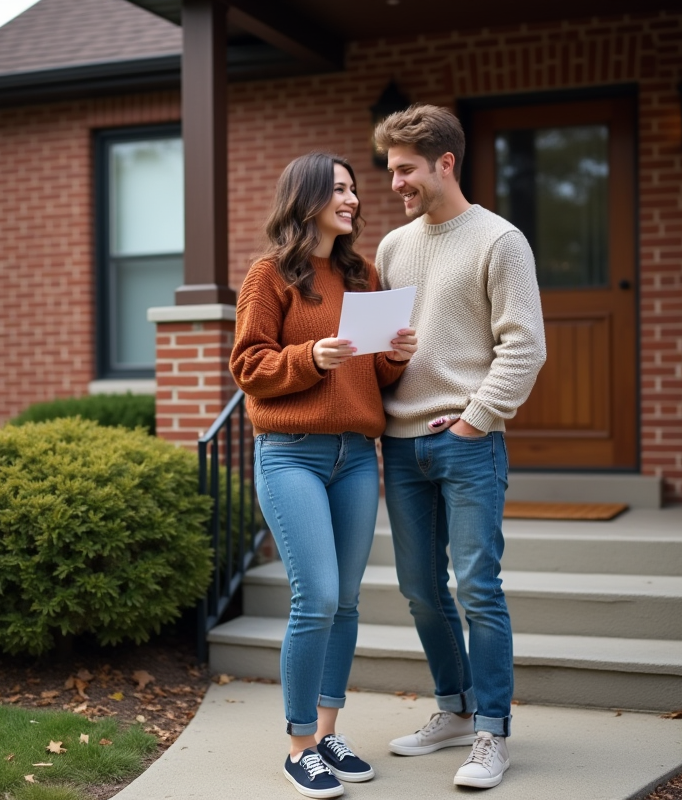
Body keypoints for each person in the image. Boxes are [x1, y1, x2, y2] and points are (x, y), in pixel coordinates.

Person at [230, 151, 418, 799]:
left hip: (357, 456)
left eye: (353, 189)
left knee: (346, 602)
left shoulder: (363, 275)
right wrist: (310, 356)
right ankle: (299, 745)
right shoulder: (269, 275)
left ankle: (329, 734)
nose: (353, 199)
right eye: (339, 188)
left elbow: (373, 372)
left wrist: (395, 355)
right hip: (291, 454)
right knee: (315, 598)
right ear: (305, 197)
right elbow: (248, 366)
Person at [372, 104, 547, 790]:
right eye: (391, 171)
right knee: (420, 589)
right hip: (401, 446)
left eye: (405, 170)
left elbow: (524, 347)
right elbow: (382, 348)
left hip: (468, 443)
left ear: (445, 163)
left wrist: (476, 419)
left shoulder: (500, 241)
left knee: (477, 586)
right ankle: (454, 708)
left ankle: (492, 733)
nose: (395, 184)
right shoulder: (392, 248)